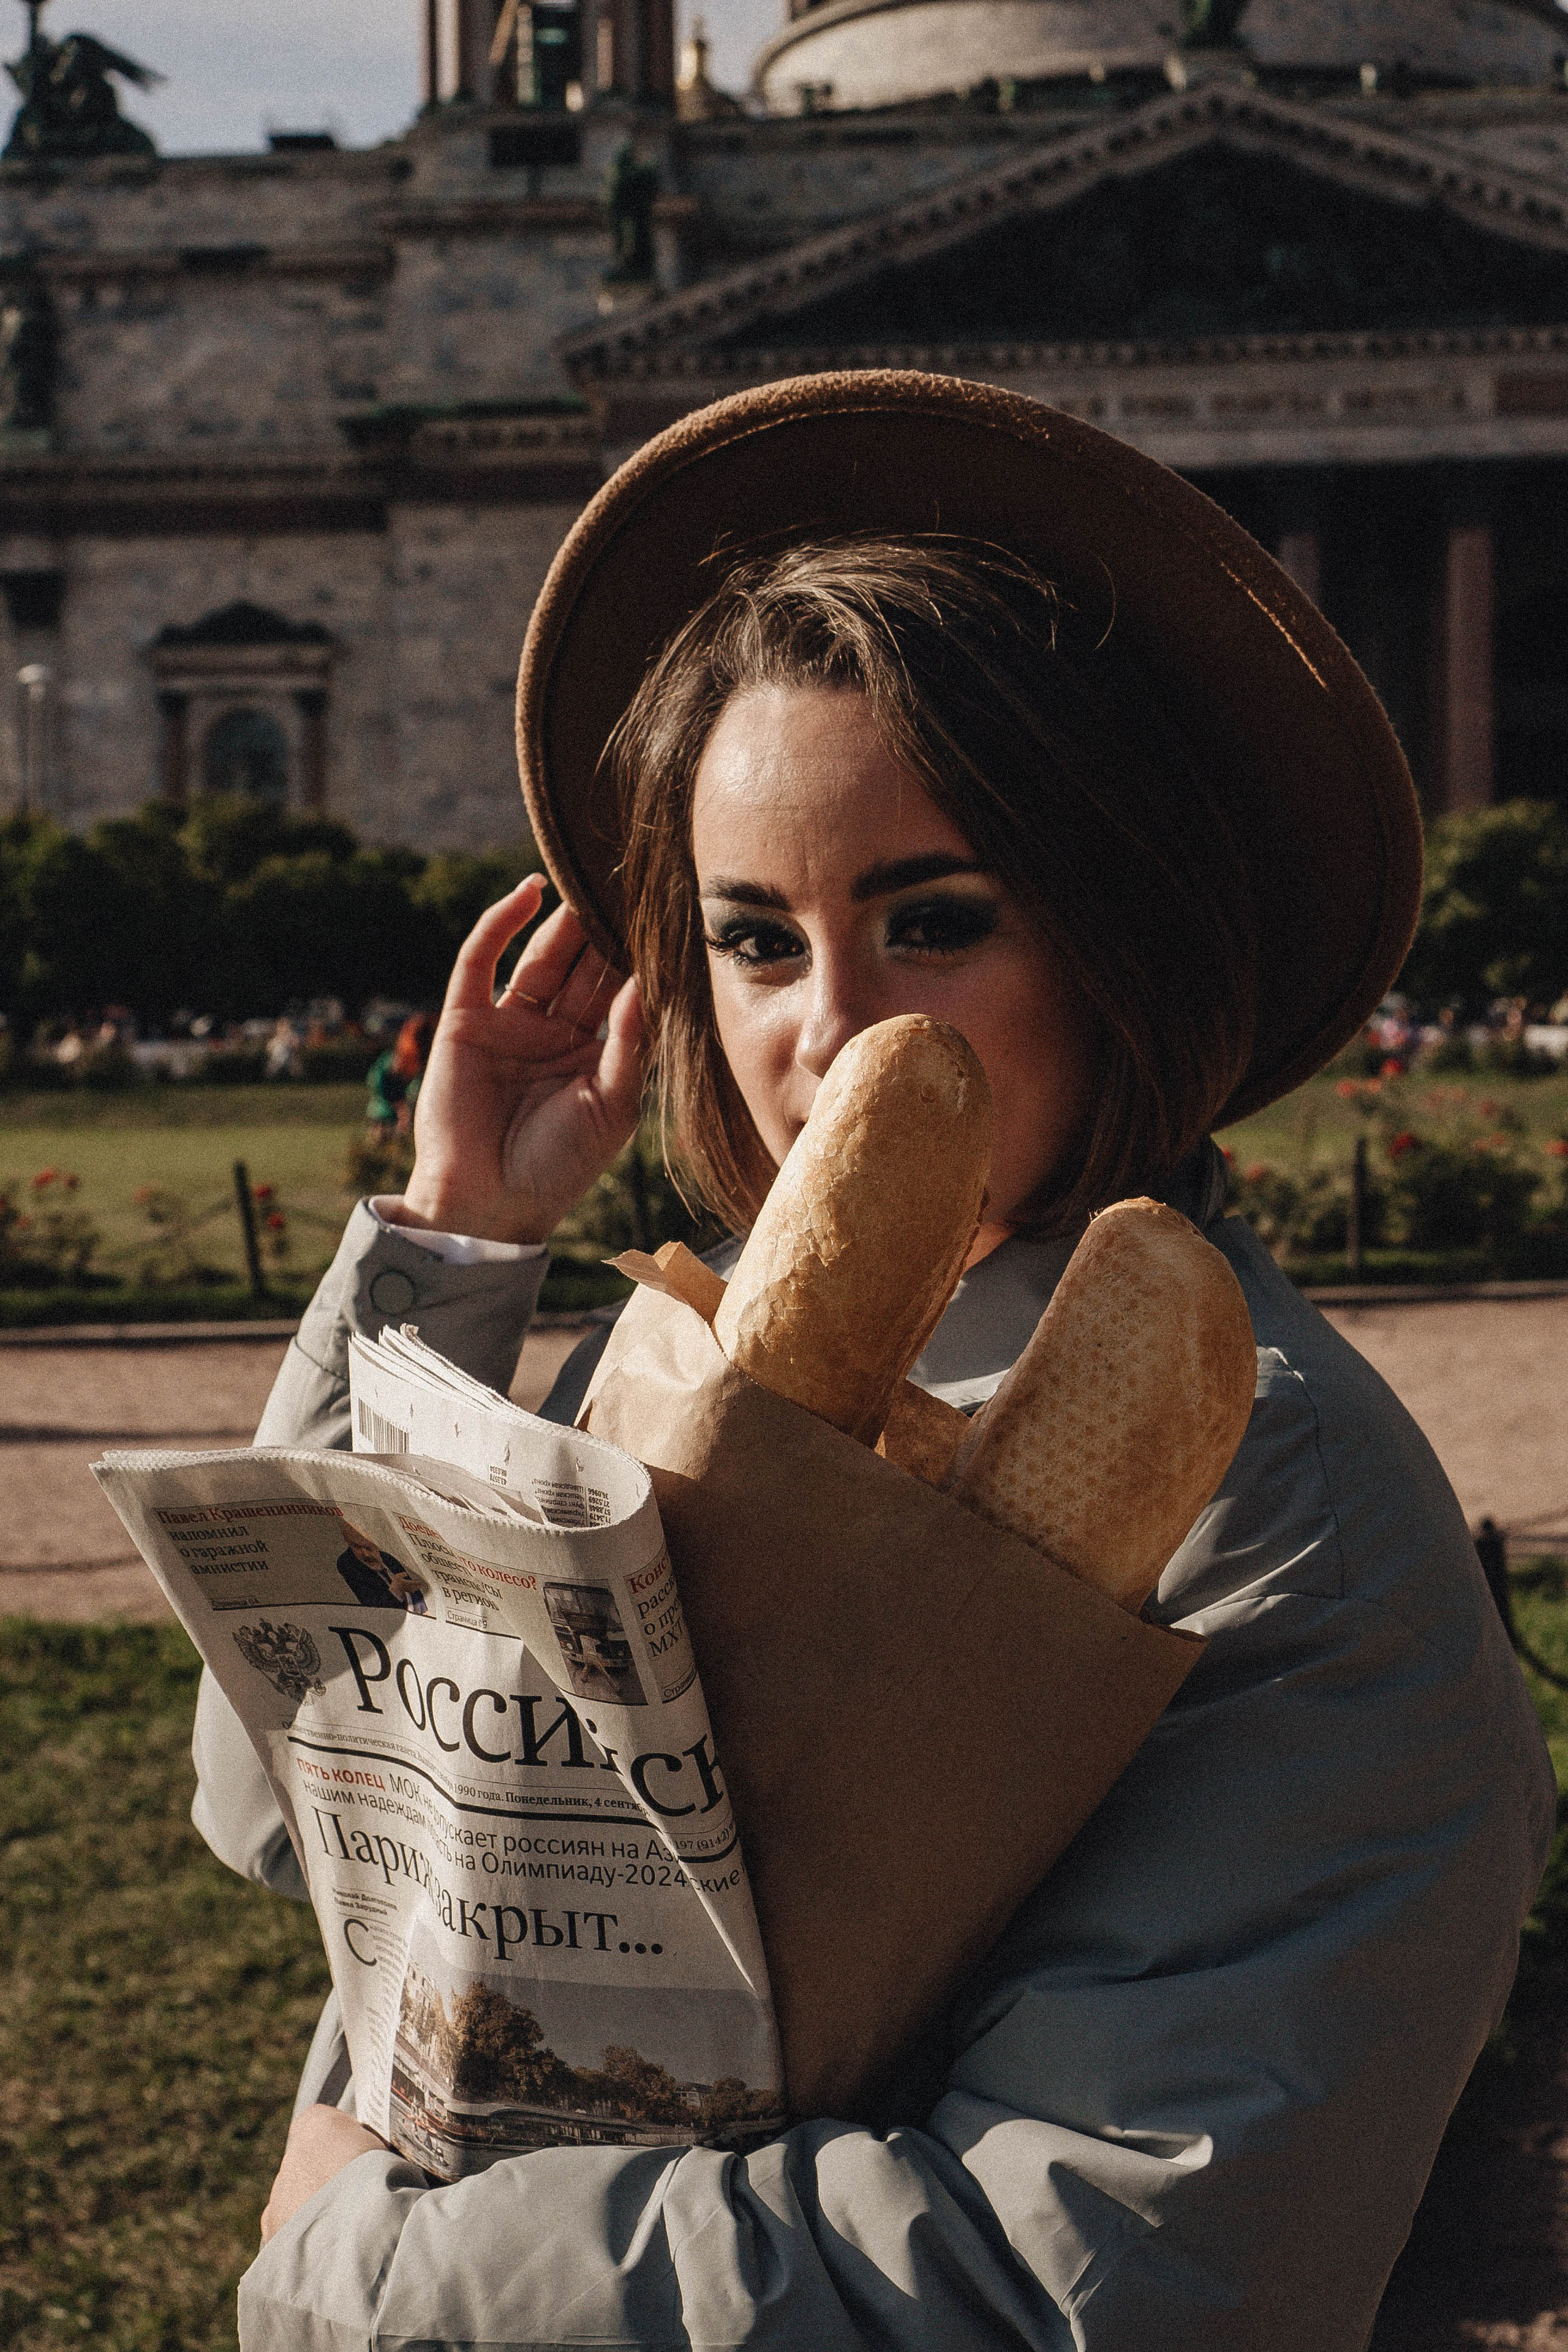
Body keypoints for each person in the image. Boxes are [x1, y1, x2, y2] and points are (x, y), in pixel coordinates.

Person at [189, 374, 1553, 2350]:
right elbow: (274, 1815)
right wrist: (451, 1250)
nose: (827, 1026)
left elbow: (1084, 2288)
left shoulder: (1282, 1508)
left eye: (934, 921)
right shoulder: (671, 1366)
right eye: (753, 938)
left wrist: (367, 2266)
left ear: (1115, 935)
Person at [333, 1523, 430, 1616]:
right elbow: (376, 1610)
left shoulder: (388, 1558)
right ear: (348, 1542)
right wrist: (396, 1590)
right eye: (356, 1547)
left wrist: (418, 1604)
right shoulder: (347, 1563)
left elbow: (415, 1593)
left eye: (368, 1547)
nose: (365, 1554)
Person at [364, 1012, 434, 1137]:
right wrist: (400, 1108)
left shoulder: (413, 1050)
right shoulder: (405, 1050)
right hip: (386, 1110)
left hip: (404, 1106)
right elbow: (383, 1081)